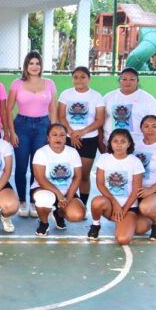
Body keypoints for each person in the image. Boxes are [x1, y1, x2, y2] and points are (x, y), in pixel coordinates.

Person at [7, 51, 57, 218]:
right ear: (26, 66)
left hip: (43, 126)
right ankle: (22, 201)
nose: (34, 66)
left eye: (37, 63)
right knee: (21, 167)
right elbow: (8, 109)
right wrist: (11, 131)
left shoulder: (49, 83)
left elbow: (53, 109)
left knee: (38, 167)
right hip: (21, 126)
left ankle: (36, 201)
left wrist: (53, 133)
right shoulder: (17, 83)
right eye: (31, 63)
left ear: (41, 66)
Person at [57, 66, 105, 206]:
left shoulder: (96, 96)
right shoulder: (66, 94)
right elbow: (61, 116)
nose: (79, 80)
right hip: (68, 138)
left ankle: (82, 204)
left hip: (88, 140)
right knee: (67, 173)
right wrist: (71, 132)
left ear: (89, 79)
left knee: (83, 175)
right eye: (76, 77)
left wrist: (82, 132)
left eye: (83, 77)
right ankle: (64, 203)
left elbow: (99, 120)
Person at [88, 129, 145, 244]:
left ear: (129, 144)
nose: (119, 145)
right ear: (110, 143)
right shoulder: (104, 158)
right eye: (115, 141)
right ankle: (95, 225)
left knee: (123, 239)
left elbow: (136, 190)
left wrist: (123, 210)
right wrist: (115, 203)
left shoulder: (135, 162)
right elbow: (100, 183)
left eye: (123, 141)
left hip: (128, 208)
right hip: (110, 206)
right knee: (97, 202)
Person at [31, 123, 85, 236]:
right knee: (44, 199)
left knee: (77, 215)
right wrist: (60, 196)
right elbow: (40, 179)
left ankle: (59, 214)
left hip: (67, 192)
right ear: (48, 138)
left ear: (66, 138)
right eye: (54, 135)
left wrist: (68, 198)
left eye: (62, 135)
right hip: (44, 189)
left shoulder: (73, 152)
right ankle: (44, 223)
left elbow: (78, 177)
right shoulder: (41, 153)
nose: (58, 138)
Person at [101, 67, 156, 149]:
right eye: (124, 79)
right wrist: (101, 142)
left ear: (137, 81)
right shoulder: (108, 97)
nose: (128, 82)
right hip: (112, 144)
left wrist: (154, 140)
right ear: (119, 81)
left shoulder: (147, 98)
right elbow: (100, 119)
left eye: (132, 79)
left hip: (138, 145)